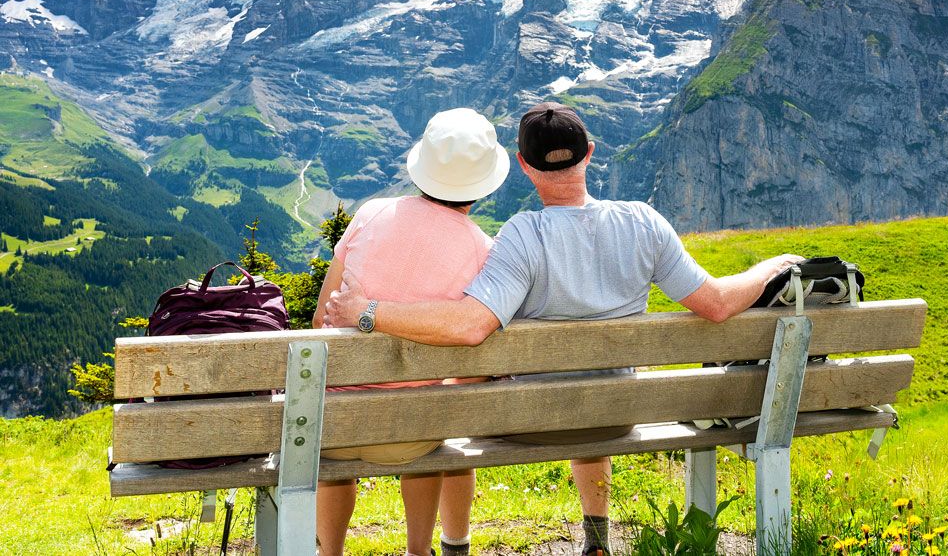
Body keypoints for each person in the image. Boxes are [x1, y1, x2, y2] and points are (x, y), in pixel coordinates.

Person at [325, 103, 799, 556]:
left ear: (524, 166)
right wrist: (772, 267)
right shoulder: (644, 222)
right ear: (590, 152)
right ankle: (595, 538)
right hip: (617, 413)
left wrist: (368, 311)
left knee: (471, 398)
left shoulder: (520, 235)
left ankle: (451, 546)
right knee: (592, 389)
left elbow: (472, 325)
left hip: (531, 420)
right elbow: (716, 303)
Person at [313, 107, 510, 556]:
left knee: (337, 448)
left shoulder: (369, 214)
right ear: (483, 184)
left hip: (338, 427)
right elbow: (473, 365)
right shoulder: (483, 248)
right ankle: (419, 550)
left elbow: (322, 317)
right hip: (417, 431)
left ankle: (330, 553)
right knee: (427, 418)